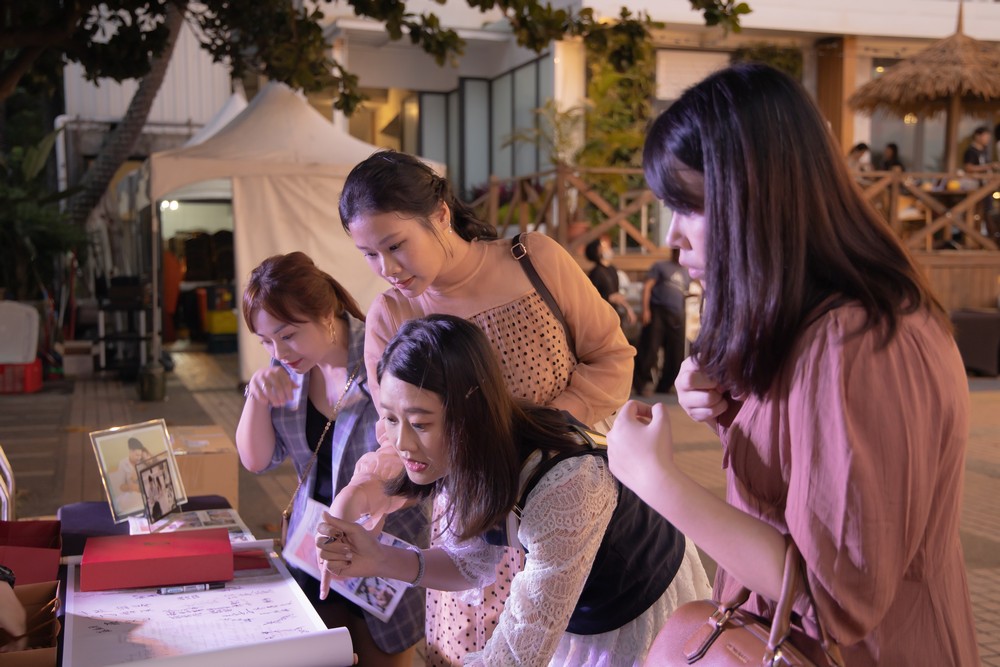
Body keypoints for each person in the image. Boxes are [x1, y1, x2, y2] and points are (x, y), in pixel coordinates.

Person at [607, 62, 980, 665]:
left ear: (757, 198)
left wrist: (656, 481)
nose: (673, 236)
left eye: (689, 205)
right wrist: (732, 416)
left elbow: (831, 598)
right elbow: (813, 492)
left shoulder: (856, 341)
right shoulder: (827, 326)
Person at [333, 149, 635, 666]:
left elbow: (612, 358)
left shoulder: (533, 259)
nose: (387, 270)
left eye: (395, 245)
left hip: (566, 502)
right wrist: (368, 486)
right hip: (474, 521)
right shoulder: (393, 313)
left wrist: (536, 441)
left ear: (441, 216)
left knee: (563, 644)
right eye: (369, 255)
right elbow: (397, 434)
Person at [317, 315, 711, 666]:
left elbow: (519, 654)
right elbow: (466, 565)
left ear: (468, 410)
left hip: (639, 608)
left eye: (420, 423)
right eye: (389, 417)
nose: (401, 442)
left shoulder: (567, 484)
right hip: (579, 608)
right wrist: (380, 559)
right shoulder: (463, 451)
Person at [235, 251, 426, 667]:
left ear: (326, 314)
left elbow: (417, 451)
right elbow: (256, 461)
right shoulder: (286, 370)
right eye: (265, 341)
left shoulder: (384, 354)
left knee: (383, 657)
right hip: (314, 547)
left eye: (287, 335)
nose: (278, 350)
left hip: (385, 546)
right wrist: (255, 395)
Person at [632, 249, 690, 396]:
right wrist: (645, 309)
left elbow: (682, 293)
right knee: (650, 348)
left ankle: (665, 385)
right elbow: (648, 287)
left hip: (676, 314)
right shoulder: (660, 266)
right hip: (658, 310)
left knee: (676, 352)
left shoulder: (686, 272)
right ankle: (640, 384)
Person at [584, 235, 637, 329]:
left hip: (614, 314)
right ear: (597, 251)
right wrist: (609, 298)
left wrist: (628, 309)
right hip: (601, 317)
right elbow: (591, 297)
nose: (608, 248)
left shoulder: (612, 269)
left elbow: (616, 295)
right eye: (604, 247)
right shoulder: (596, 272)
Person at [109, 437, 150, 513]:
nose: (139, 458)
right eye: (137, 455)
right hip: (130, 495)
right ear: (131, 451)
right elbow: (121, 487)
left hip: (143, 494)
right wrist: (131, 486)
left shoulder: (142, 462)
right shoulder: (123, 463)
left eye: (140, 455)